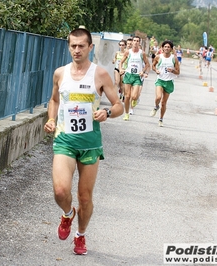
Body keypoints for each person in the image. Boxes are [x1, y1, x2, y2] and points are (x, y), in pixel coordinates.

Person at [43, 28, 123, 255]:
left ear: (90, 47)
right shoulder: (60, 73)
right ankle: (68, 214)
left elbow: (119, 106)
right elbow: (54, 100)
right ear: (69, 47)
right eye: (73, 46)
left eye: (81, 46)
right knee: (60, 191)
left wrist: (106, 114)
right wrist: (51, 119)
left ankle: (80, 235)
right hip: (65, 141)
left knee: (85, 197)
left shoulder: (100, 75)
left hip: (90, 144)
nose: (76, 50)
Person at [119, 36, 150, 120]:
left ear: (139, 42)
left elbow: (147, 64)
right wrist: (121, 69)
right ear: (132, 42)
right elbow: (121, 62)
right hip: (128, 75)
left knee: (134, 96)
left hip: (137, 76)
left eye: (137, 41)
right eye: (134, 41)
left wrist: (143, 71)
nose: (136, 42)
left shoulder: (142, 53)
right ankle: (126, 113)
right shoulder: (127, 52)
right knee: (127, 96)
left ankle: (135, 100)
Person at [150, 40, 180, 127]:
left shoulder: (174, 58)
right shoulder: (158, 57)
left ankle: (161, 119)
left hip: (169, 81)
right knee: (158, 97)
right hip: (160, 80)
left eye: (168, 47)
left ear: (171, 49)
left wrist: (173, 70)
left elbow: (178, 72)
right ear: (162, 48)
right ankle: (156, 106)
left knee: (163, 103)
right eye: (165, 47)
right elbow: (153, 66)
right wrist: (156, 70)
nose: (166, 48)